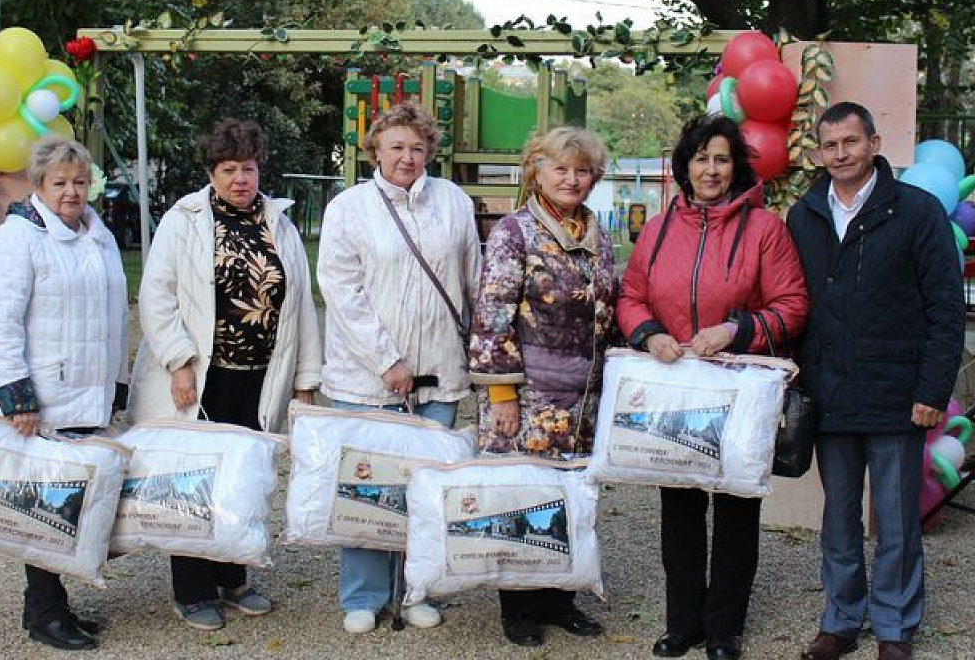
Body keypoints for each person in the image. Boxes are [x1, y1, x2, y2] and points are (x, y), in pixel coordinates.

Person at [617, 115, 809, 660]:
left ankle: (724, 627)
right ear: (685, 166)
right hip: (676, 388)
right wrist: (648, 333)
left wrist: (735, 330)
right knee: (678, 509)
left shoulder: (765, 229)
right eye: (701, 158)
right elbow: (631, 295)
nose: (710, 169)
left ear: (735, 167)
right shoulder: (658, 229)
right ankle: (683, 623)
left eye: (721, 159)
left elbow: (793, 305)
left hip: (738, 390)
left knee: (735, 510)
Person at [786, 102, 964, 660]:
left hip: (897, 395)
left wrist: (932, 392)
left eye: (851, 142)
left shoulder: (917, 211)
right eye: (830, 145)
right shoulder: (804, 215)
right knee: (838, 519)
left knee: (895, 522)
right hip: (831, 393)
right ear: (819, 152)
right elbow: (795, 302)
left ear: (874, 144)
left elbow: (945, 309)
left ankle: (894, 627)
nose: (841, 154)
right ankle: (840, 620)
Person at [129, 118, 322, 632]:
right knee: (193, 481)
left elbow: (301, 305)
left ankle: (232, 576)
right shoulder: (184, 220)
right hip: (202, 377)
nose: (240, 179)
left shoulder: (280, 224)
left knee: (243, 479)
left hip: (261, 378)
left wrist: (305, 382)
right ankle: (192, 589)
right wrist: (178, 362)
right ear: (212, 172)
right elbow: (157, 296)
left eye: (248, 168)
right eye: (229, 169)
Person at [316, 101, 481, 634]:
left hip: (438, 371)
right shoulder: (349, 208)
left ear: (429, 150)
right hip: (366, 377)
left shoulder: (454, 202)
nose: (407, 157)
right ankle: (363, 594)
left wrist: (480, 350)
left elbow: (473, 279)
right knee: (368, 486)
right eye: (396, 147)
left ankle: (416, 589)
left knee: (425, 491)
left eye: (416, 147)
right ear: (376, 151)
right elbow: (341, 289)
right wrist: (385, 359)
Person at [0, 136, 130, 651]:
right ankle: (44, 611)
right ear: (39, 185)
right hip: (43, 396)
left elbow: (116, 318)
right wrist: (16, 397)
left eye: (80, 182)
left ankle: (52, 605)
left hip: (88, 392)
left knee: (75, 503)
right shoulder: (18, 238)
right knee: (45, 504)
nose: (71, 192)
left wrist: (117, 386)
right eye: (60, 182)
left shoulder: (100, 237)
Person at [469, 126, 617, 647]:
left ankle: (560, 598)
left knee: (570, 497)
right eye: (561, 169)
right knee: (523, 496)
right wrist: (501, 396)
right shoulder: (515, 231)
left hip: (583, 402)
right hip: (528, 398)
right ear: (537, 170)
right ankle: (519, 607)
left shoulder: (598, 234)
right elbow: (492, 314)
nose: (571, 179)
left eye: (582, 171)